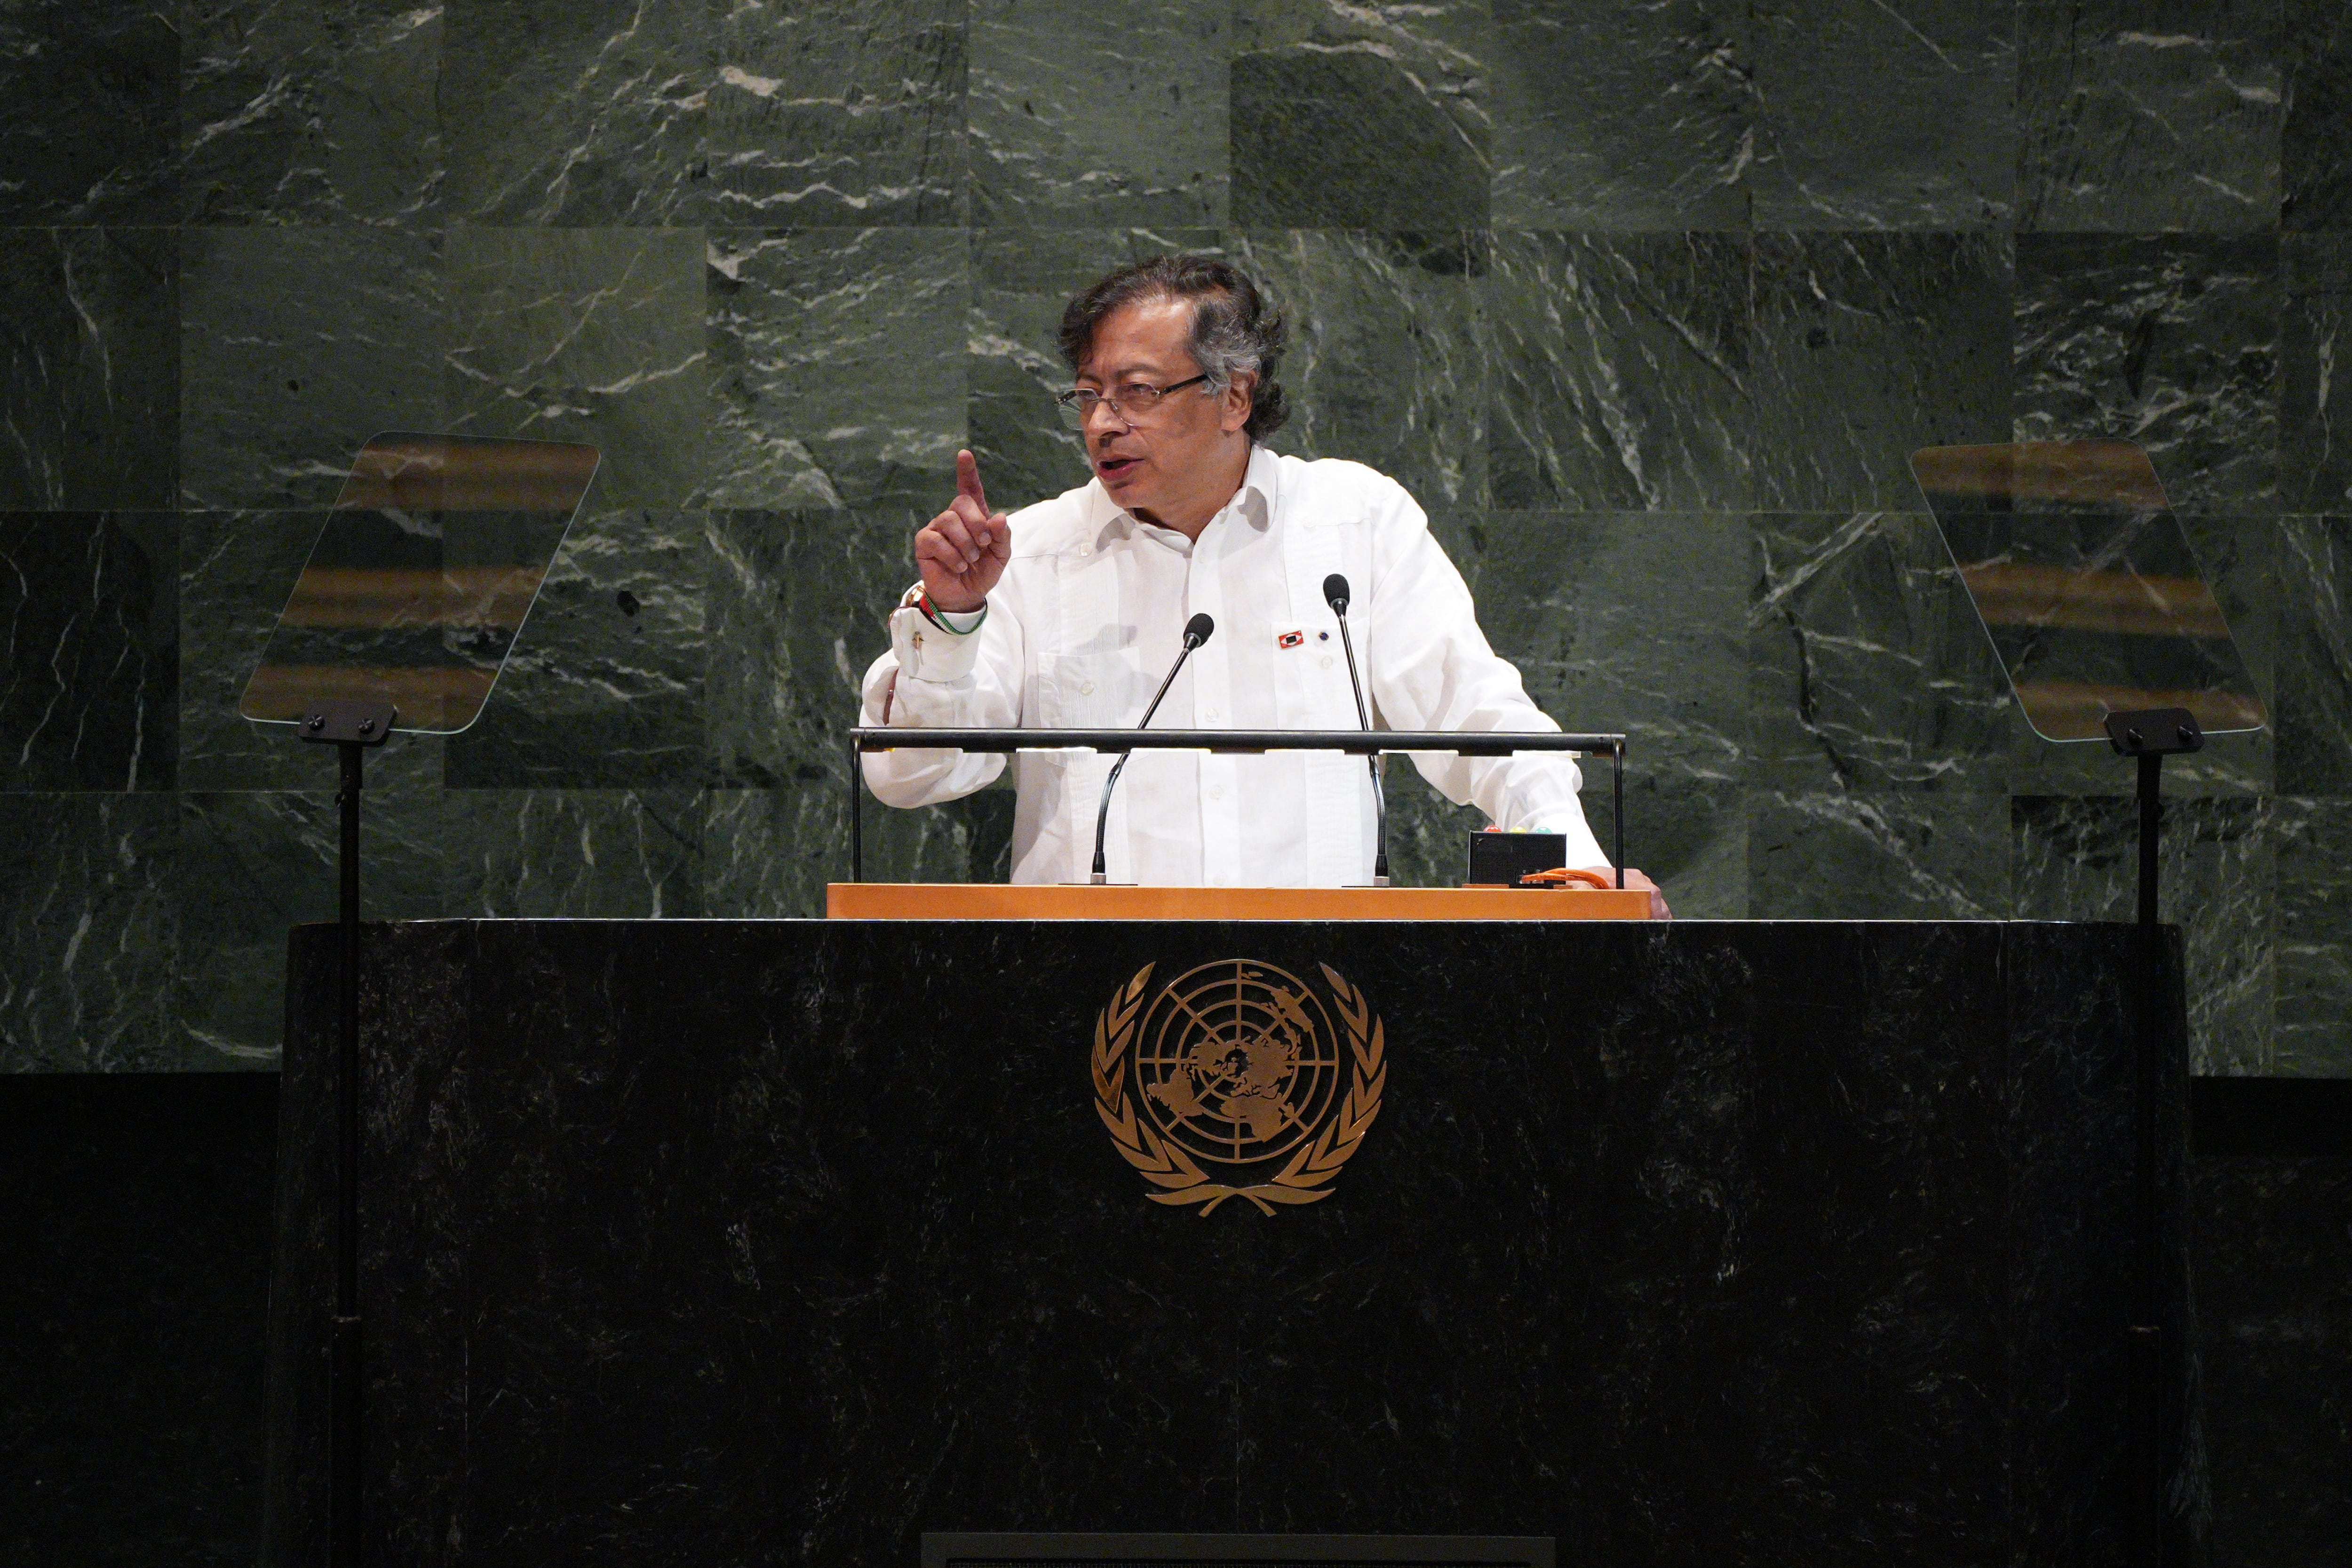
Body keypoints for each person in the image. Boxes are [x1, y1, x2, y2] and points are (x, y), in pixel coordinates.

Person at [857, 254, 1664, 913]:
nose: (1103, 422)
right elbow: (910, 775)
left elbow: (1481, 720)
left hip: (1323, 993)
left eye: (1136, 392)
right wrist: (955, 619)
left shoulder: (1355, 523)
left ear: (1234, 395)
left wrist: (1583, 872)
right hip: (1088, 998)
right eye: (1089, 395)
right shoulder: (1027, 554)